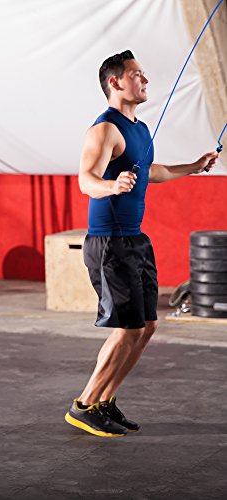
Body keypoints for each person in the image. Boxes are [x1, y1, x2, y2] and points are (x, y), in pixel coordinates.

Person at [65, 50, 218, 438]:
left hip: (134, 239)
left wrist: (193, 167)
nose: (146, 80)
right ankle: (84, 405)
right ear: (115, 82)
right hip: (109, 243)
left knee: (146, 326)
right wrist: (111, 185)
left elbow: (151, 171)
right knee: (128, 329)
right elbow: (85, 179)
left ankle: (104, 401)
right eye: (137, 74)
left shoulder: (141, 128)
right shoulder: (105, 129)